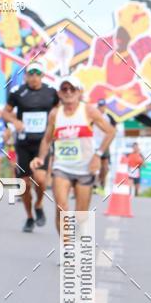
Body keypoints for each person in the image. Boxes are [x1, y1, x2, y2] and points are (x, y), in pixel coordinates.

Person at [32, 75, 115, 234]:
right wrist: (41, 158)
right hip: (62, 167)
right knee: (62, 208)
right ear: (59, 93)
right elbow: (47, 139)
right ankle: (67, 250)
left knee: (81, 216)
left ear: (79, 92)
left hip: (85, 168)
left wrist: (98, 155)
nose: (68, 92)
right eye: (64, 89)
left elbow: (110, 132)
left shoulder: (89, 110)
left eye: (72, 89)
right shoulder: (55, 114)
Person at [3, 59, 59, 232]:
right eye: (30, 73)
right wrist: (14, 121)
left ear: (42, 76)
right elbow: (6, 112)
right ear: (26, 76)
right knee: (25, 185)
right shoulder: (18, 92)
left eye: (37, 74)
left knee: (41, 179)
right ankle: (29, 217)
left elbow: (59, 110)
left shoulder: (51, 92)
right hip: (24, 143)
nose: (34, 77)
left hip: (43, 143)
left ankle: (39, 204)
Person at [94, 98, 117, 191]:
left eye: (102, 106)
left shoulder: (109, 117)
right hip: (94, 144)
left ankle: (102, 183)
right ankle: (94, 184)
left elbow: (114, 131)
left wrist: (109, 142)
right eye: (99, 106)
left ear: (105, 107)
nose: (101, 108)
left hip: (105, 144)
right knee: (96, 165)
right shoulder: (94, 116)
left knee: (105, 166)